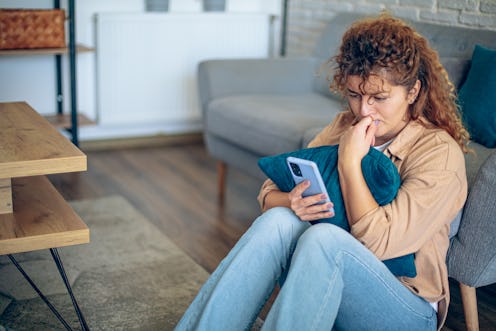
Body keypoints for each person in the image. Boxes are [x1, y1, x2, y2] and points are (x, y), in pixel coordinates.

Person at [175, 12, 469, 331]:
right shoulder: (345, 124)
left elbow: (379, 243)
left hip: (406, 306)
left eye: (379, 97)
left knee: (324, 237)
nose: (363, 110)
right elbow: (267, 194)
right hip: (331, 279)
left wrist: (348, 162)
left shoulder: (439, 154)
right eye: (355, 95)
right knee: (277, 221)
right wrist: (291, 202)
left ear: (412, 92)